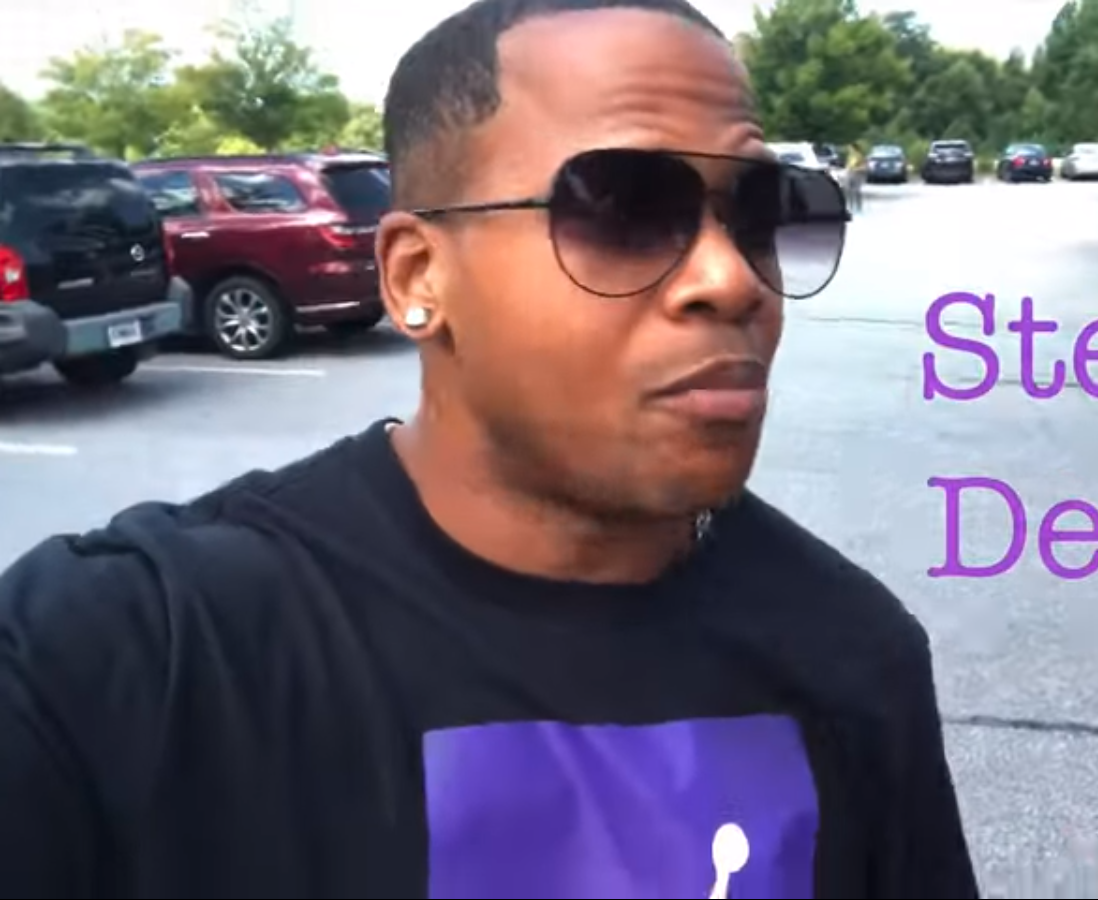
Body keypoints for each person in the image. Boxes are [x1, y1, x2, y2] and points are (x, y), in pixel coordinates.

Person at [0, 0, 977, 896]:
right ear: (416, 276)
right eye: (624, 212)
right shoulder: (121, 661)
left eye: (759, 216)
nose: (731, 280)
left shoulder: (849, 655)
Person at [845, 143, 866, 213]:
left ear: (854, 148)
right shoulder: (850, 156)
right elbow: (848, 165)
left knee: (856, 191)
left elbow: (864, 167)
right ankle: (850, 206)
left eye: (850, 148)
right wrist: (847, 170)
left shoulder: (860, 156)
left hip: (858, 175)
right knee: (848, 190)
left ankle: (859, 207)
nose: (849, 149)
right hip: (850, 174)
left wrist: (856, 169)